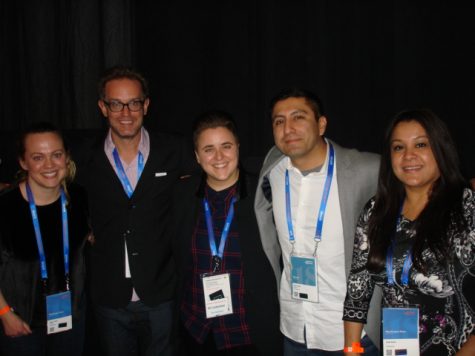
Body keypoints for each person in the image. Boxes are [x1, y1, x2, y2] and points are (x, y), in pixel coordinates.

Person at [254, 88, 381, 355]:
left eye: (298, 117)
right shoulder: (273, 167)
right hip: (294, 329)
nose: (288, 128)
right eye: (279, 121)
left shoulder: (367, 169)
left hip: (351, 334)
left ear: (321, 124)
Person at [343, 109, 475, 355]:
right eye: (398, 147)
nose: (409, 156)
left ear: (441, 149)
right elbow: (357, 291)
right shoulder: (376, 211)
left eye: (421, 144)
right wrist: (351, 349)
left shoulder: (467, 208)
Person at [78, 66, 189, 356]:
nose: (126, 112)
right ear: (103, 107)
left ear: (146, 105)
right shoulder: (82, 158)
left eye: (134, 103)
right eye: (116, 103)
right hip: (109, 294)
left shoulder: (175, 150)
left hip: (161, 291)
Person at [171, 111, 282, 356]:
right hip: (196, 329)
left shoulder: (266, 194)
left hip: (248, 331)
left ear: (238, 148)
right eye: (208, 149)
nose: (219, 156)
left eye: (226, 146)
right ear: (197, 156)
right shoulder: (181, 195)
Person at [0, 122, 90, 356]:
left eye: (56, 155)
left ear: (66, 157)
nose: (49, 165)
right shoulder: (5, 207)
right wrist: (5, 315)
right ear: (23, 162)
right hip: (21, 323)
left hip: (71, 318)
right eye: (38, 157)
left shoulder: (79, 198)